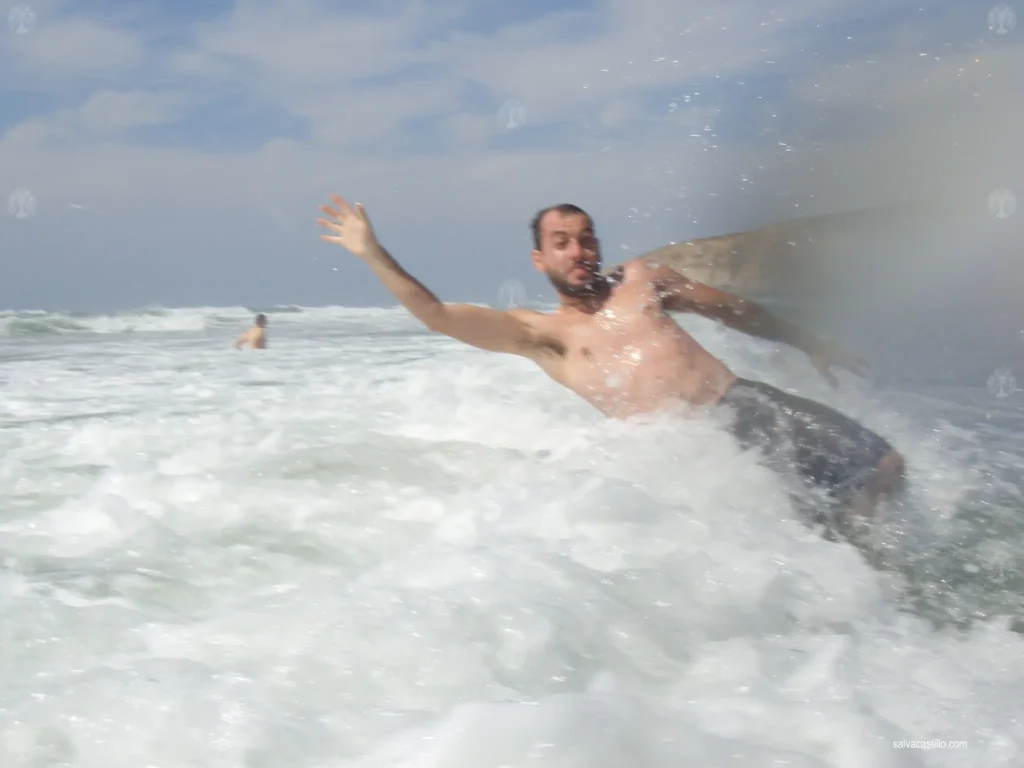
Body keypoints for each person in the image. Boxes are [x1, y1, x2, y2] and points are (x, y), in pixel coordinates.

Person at [316, 195, 906, 533]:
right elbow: (438, 314)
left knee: (883, 465)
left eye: (588, 238)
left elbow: (734, 310)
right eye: (564, 242)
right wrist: (373, 253)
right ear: (539, 257)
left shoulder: (643, 281)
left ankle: (852, 568)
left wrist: (810, 342)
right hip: (683, 456)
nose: (581, 251)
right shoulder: (542, 334)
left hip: (743, 405)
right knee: (780, 531)